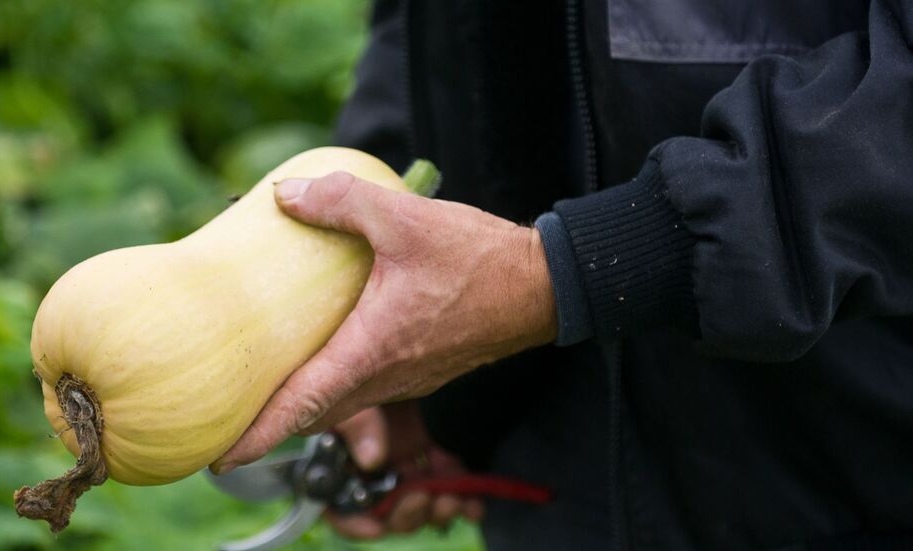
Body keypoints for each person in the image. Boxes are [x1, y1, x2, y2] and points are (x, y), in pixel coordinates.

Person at [213, 0, 913, 549]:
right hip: (554, 457)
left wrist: (573, 268)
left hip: (844, 464)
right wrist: (370, 273)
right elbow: (438, 29)